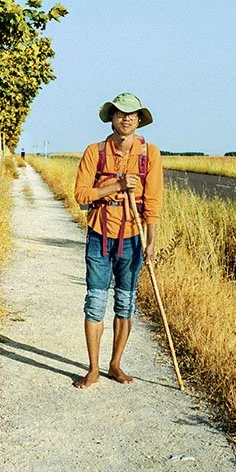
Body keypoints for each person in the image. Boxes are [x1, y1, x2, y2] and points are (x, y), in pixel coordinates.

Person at [71, 92, 164, 388]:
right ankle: (94, 368)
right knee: (95, 302)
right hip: (100, 234)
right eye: (121, 113)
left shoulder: (150, 154)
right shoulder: (94, 152)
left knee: (125, 303)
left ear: (139, 120)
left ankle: (115, 365)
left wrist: (150, 243)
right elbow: (81, 195)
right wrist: (116, 185)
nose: (126, 118)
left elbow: (153, 202)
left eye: (132, 114)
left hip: (133, 238)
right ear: (112, 117)